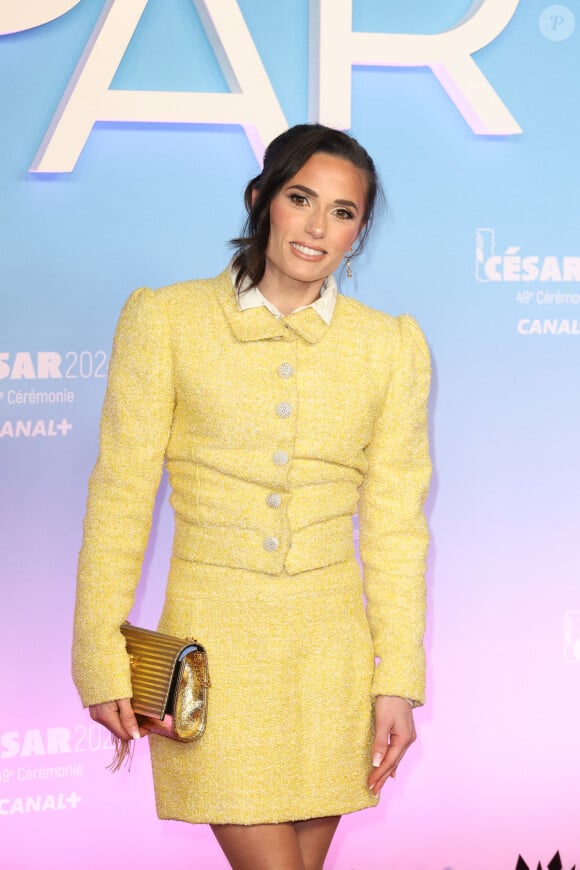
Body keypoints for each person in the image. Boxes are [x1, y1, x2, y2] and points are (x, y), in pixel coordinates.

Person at [72, 123, 431, 870]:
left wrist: (397, 680)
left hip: (333, 660)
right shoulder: (166, 320)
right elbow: (119, 496)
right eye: (301, 198)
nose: (316, 226)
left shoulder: (392, 345)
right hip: (212, 657)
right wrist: (97, 657)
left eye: (342, 212)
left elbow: (397, 528)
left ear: (358, 232)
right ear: (261, 199)